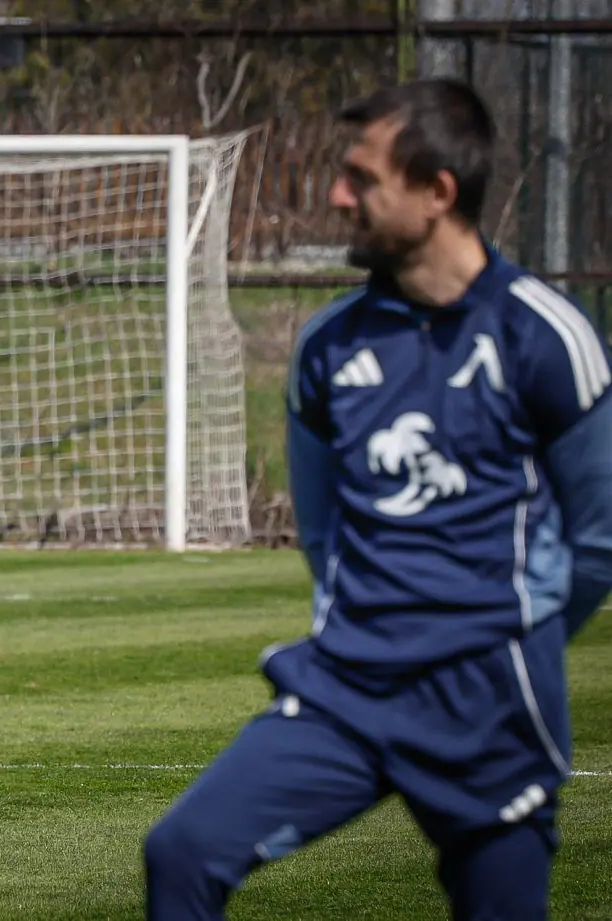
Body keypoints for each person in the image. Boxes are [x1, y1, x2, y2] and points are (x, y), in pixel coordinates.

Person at [143, 78, 612, 919]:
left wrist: (507, 640)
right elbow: (323, 533)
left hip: (488, 707)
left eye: (362, 178)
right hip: (346, 694)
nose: (337, 195)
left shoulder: (545, 335)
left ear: (437, 192)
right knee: (182, 851)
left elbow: (601, 540)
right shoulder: (329, 345)